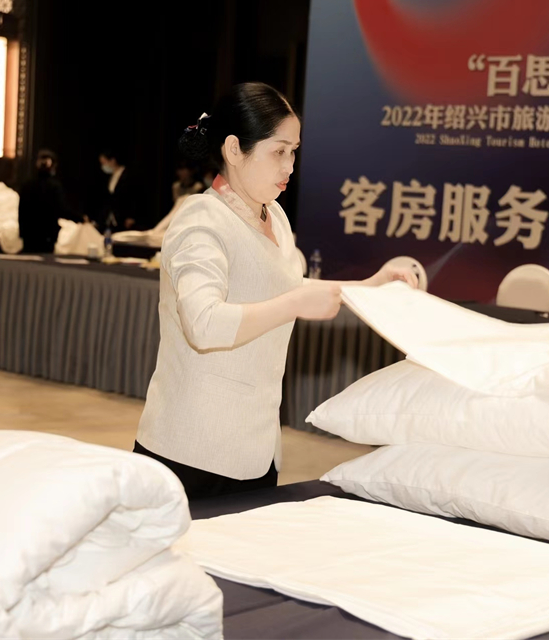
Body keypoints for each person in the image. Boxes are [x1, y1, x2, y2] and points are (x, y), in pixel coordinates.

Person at [132, 83, 418, 500]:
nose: (290, 165)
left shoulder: (275, 216)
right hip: (191, 448)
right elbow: (203, 324)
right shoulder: (200, 220)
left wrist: (371, 286)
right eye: (278, 151)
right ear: (234, 149)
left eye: (294, 151)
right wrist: (294, 303)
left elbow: (288, 288)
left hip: (256, 448)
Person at [18, 149, 81, 253]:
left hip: (29, 234)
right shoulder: (54, 186)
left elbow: (21, 212)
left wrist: (22, 233)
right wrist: (80, 218)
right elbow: (61, 209)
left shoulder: (27, 185)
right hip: (47, 235)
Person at [90, 146, 147, 233]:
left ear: (112, 160)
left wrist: (132, 216)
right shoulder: (110, 177)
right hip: (112, 218)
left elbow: (136, 196)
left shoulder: (128, 175)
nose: (103, 166)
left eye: (104, 163)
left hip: (125, 217)